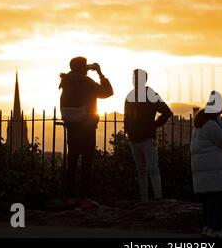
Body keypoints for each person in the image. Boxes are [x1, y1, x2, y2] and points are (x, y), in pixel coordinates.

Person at [59, 57, 113, 209]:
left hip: (72, 127)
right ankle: (85, 199)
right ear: (82, 68)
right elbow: (108, 92)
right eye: (85, 65)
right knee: (86, 163)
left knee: (72, 162)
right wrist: (100, 73)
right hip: (87, 127)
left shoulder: (66, 81)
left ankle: (69, 197)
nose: (87, 68)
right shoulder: (86, 82)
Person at [190, 91, 222, 238]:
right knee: (219, 198)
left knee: (209, 200)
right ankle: (216, 229)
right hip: (214, 169)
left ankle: (209, 227)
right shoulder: (211, 124)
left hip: (204, 170)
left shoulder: (200, 123)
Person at [124, 69, 172, 202]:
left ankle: (157, 197)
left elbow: (167, 112)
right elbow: (127, 116)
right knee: (141, 170)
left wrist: (154, 125)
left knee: (152, 168)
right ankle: (144, 198)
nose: (135, 81)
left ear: (144, 80)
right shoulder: (130, 96)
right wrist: (129, 130)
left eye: (137, 78)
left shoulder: (150, 94)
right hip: (135, 139)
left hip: (147, 138)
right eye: (134, 78)